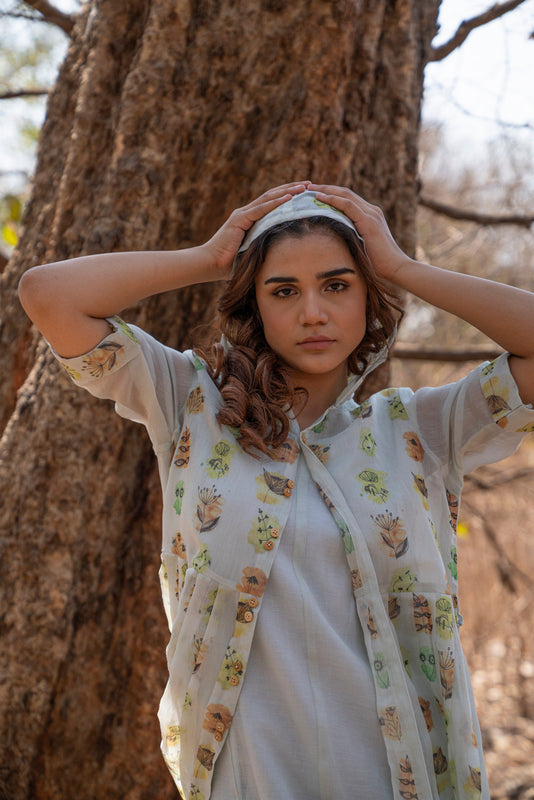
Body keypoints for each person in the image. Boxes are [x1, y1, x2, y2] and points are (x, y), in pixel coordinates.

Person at [18, 182, 534, 800]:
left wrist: (400, 267)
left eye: (338, 286)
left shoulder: (420, 430)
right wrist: (207, 258)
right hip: (249, 771)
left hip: (394, 770)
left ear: (369, 301)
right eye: (283, 290)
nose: (312, 312)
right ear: (255, 307)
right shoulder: (191, 407)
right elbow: (46, 295)